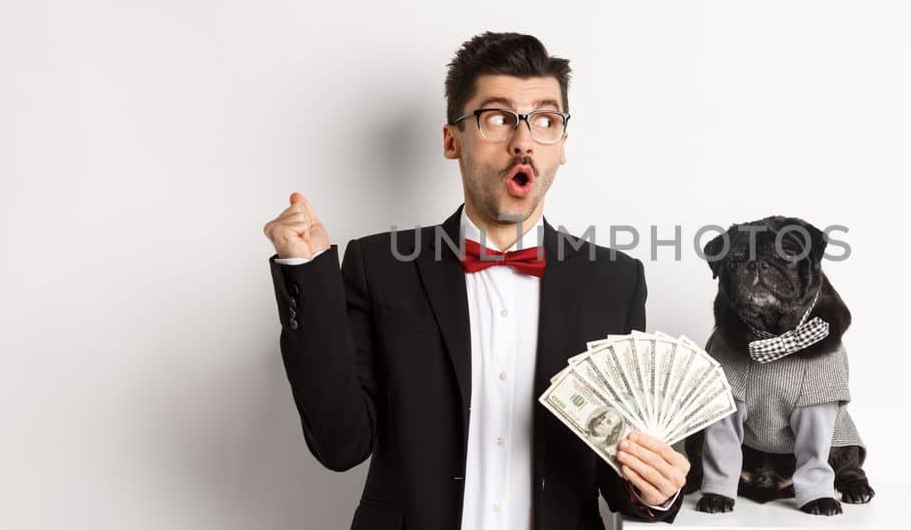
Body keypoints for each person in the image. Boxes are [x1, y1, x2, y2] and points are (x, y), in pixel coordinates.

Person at [261, 32, 688, 529]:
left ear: (562, 147)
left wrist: (654, 490)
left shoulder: (616, 281)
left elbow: (616, 474)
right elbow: (340, 444)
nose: (523, 140)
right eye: (498, 117)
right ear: (451, 139)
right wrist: (305, 274)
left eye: (544, 121)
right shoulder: (380, 266)